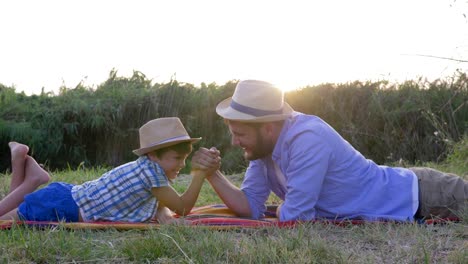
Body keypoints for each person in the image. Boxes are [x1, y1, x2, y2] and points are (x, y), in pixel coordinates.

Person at [192, 79, 467, 222]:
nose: (235, 143)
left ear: (267, 127)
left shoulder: (307, 138)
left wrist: (281, 210)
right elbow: (250, 208)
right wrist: (212, 174)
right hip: (407, 202)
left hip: (423, 194)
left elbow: (296, 218)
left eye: (240, 134)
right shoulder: (263, 152)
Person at [0, 117, 217, 224]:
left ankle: (19, 160)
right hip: (60, 206)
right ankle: (32, 179)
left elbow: (163, 208)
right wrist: (200, 174)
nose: (182, 164)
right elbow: (183, 207)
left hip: (65, 196)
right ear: (152, 155)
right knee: (2, 221)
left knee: (9, 213)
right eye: (177, 158)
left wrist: (166, 217)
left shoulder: (147, 168)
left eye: (185, 158)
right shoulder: (151, 174)